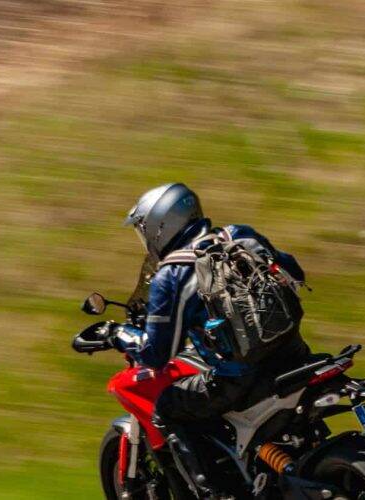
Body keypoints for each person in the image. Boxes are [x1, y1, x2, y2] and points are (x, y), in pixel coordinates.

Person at [108, 183, 311, 494]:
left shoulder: (172, 273)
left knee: (167, 406)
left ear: (161, 226)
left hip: (238, 380)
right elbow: (295, 271)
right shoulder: (240, 235)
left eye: (144, 230)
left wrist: (118, 334)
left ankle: (214, 491)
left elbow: (156, 354)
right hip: (294, 355)